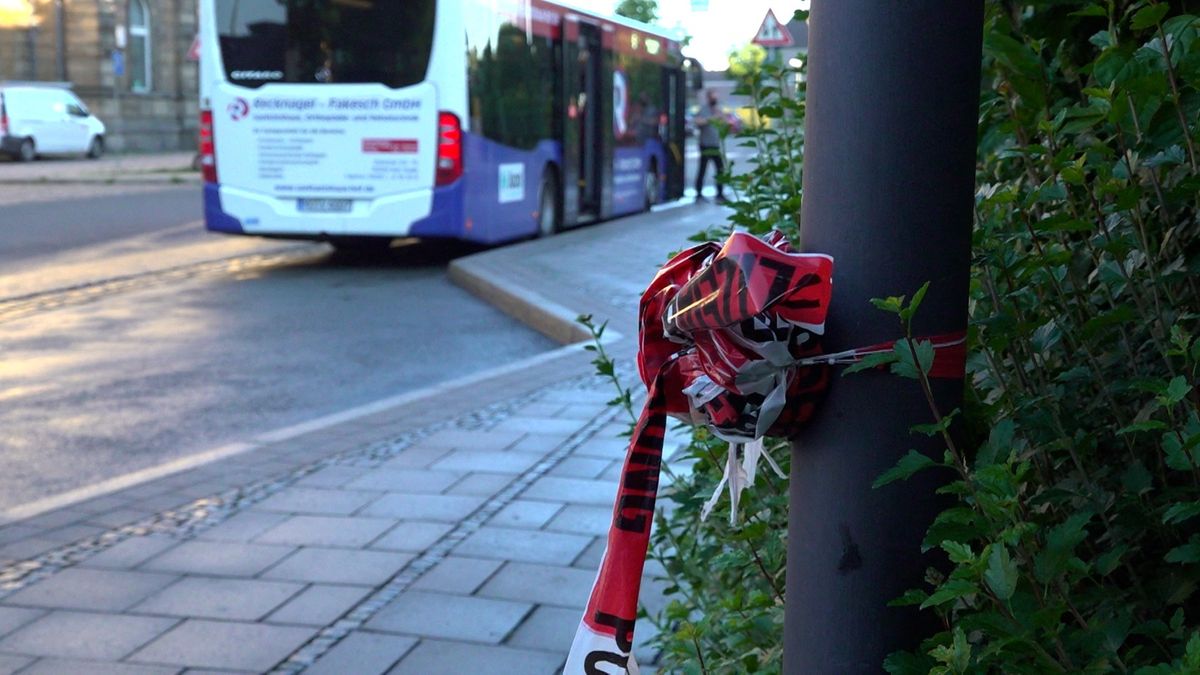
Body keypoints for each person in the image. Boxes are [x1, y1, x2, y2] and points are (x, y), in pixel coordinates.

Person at [693, 89, 727, 203]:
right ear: (708, 98)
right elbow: (698, 122)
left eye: (716, 98)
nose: (715, 100)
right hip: (705, 145)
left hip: (715, 144)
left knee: (720, 169)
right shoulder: (703, 110)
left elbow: (724, 122)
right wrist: (711, 119)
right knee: (702, 168)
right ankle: (698, 193)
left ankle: (720, 193)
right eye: (713, 97)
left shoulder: (718, 110)